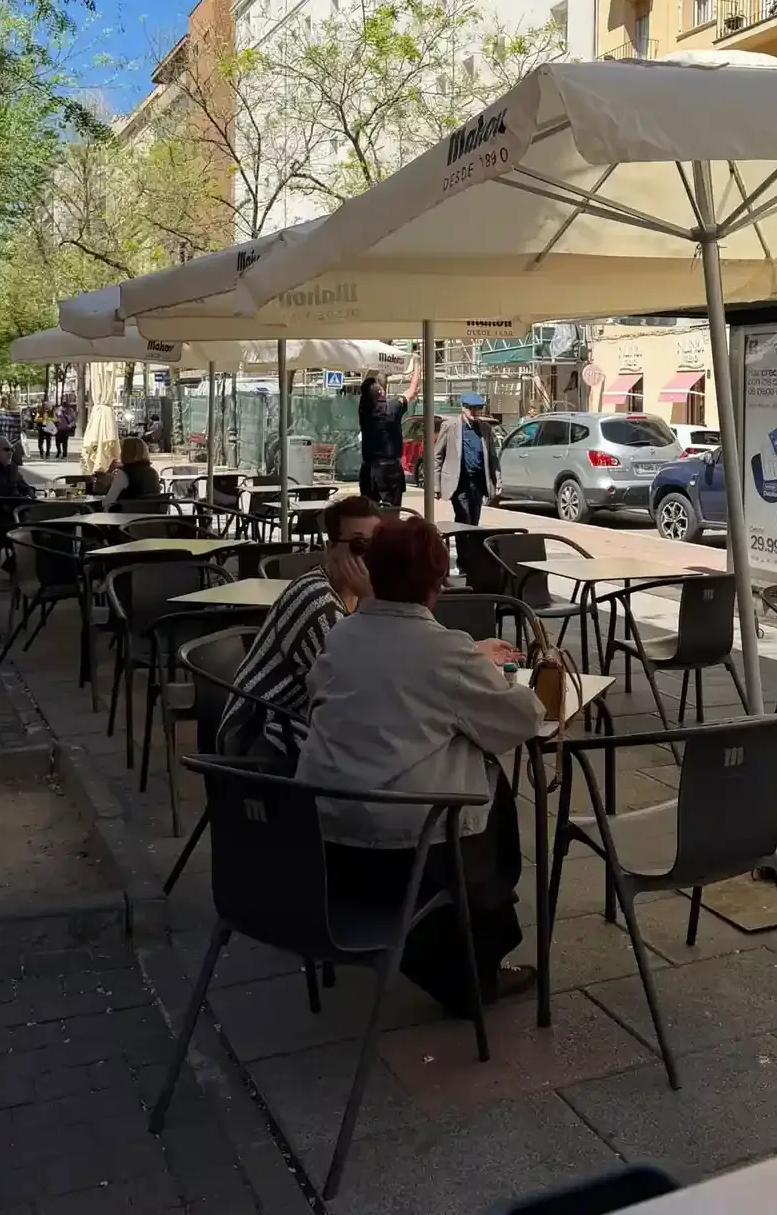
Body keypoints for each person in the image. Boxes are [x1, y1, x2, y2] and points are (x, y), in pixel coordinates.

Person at [298, 515, 542, 1016]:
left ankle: (444, 952)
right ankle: (474, 965)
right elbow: (523, 719)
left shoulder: (341, 636)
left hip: (325, 833)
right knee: (485, 784)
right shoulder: (445, 650)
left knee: (446, 763)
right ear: (436, 586)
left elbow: (318, 696)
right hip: (408, 845)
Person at [216, 496, 384, 761]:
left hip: (298, 718)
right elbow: (357, 682)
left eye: (376, 545)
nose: (367, 555)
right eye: (358, 545)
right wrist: (374, 599)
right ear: (330, 549)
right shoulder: (318, 601)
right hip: (259, 735)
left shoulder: (354, 596)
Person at [358, 353, 421, 507]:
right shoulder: (393, 407)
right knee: (391, 511)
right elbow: (412, 390)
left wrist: (375, 361)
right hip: (390, 469)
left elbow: (365, 386)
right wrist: (417, 366)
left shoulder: (365, 410)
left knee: (369, 510)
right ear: (381, 393)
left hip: (369, 467)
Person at [435, 393, 500, 525]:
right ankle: (463, 545)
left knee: (474, 521)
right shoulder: (450, 426)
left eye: (478, 408)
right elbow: (437, 456)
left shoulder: (485, 429)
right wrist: (436, 485)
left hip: (478, 483)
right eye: (472, 408)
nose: (475, 412)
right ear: (463, 408)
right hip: (459, 483)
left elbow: (493, 458)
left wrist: (498, 481)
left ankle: (470, 545)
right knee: (463, 518)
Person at [103, 436, 162, 506]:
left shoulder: (123, 474)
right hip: (152, 514)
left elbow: (107, 503)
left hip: (127, 515)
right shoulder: (152, 472)